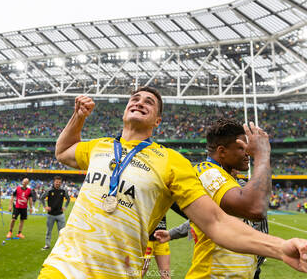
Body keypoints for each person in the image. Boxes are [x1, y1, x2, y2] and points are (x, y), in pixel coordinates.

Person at [38, 87, 307, 279]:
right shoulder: (99, 146)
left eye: (149, 102)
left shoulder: (171, 161)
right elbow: (63, 151)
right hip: (64, 266)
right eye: (135, 98)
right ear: (125, 110)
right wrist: (79, 117)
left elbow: (216, 222)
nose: (140, 102)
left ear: (157, 121)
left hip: (120, 271)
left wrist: (280, 248)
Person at [155, 118, 270, 278]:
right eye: (242, 147)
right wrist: (262, 155)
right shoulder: (206, 172)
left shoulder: (230, 180)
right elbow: (255, 209)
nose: (248, 152)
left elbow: (215, 217)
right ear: (222, 151)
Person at [41, 176, 70, 250]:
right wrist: (45, 207)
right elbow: (41, 198)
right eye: (57, 182)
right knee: (48, 231)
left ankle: (62, 246)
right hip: (51, 215)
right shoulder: (49, 190)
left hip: (60, 215)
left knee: (62, 232)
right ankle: (47, 245)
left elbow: (68, 199)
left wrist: (65, 207)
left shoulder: (63, 190)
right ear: (54, 182)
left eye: (59, 182)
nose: (58, 183)